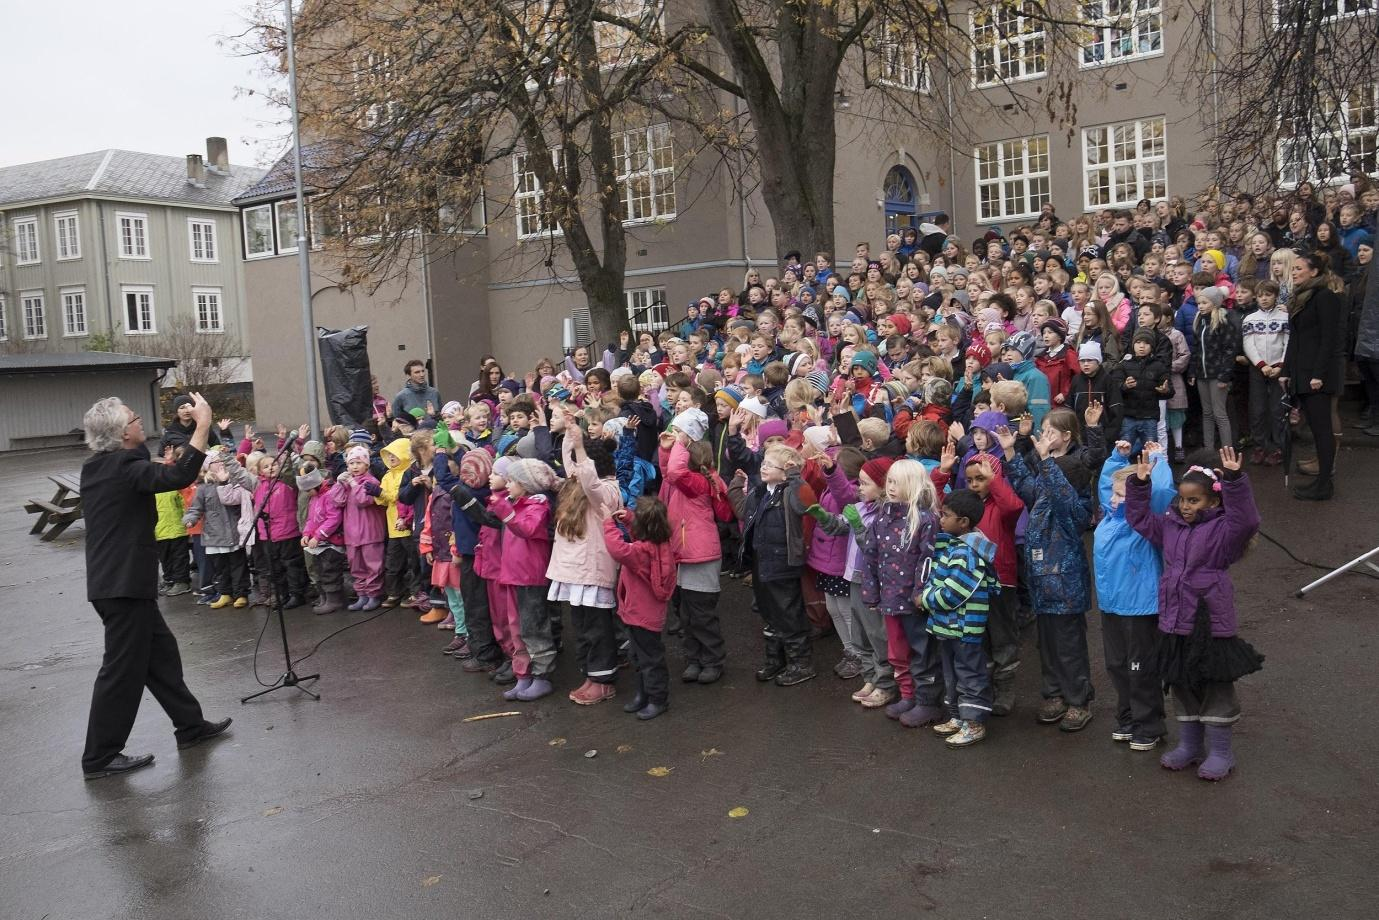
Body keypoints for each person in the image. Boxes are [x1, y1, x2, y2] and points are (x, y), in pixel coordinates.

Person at [79, 393, 231, 780]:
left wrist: (159, 468)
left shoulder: (99, 466)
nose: (139, 421)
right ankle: (99, 757)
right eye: (132, 418)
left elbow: (149, 480)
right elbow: (179, 478)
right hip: (124, 585)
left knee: (160, 657)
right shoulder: (125, 466)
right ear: (122, 433)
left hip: (115, 583)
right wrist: (202, 425)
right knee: (121, 671)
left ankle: (190, 726)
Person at [1125, 448, 1264, 781]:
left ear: (1213, 503)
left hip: (1210, 623)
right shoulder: (1170, 525)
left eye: (1194, 501)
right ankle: (1189, 745)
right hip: (1175, 622)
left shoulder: (1224, 532)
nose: (1185, 507)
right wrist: (1140, 485)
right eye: (1183, 500)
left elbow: (1247, 520)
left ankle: (1220, 751)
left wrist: (1233, 481)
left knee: (1214, 686)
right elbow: (1140, 519)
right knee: (1182, 683)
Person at [1094, 441, 1175, 751]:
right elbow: (1107, 485)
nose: (1113, 500)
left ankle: (1149, 723)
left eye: (1121, 495)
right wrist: (1117, 458)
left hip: (1141, 607)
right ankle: (1127, 717)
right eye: (1114, 494)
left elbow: (1163, 491)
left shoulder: (1144, 521)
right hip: (1112, 605)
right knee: (1116, 664)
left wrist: (1157, 459)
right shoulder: (1111, 518)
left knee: (1140, 668)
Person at [921, 489, 1000, 748]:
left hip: (964, 626)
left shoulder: (967, 554)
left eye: (946, 516)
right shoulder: (953, 546)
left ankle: (974, 722)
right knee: (952, 672)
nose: (941, 520)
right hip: (948, 627)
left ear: (963, 522)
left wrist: (924, 599)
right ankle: (958, 717)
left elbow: (952, 594)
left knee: (969, 673)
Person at [602, 498, 678, 720]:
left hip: (640, 614)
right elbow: (641, 534)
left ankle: (657, 699)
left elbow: (618, 550)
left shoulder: (640, 552)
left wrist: (609, 524)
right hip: (645, 614)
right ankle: (644, 694)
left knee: (649, 658)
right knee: (639, 655)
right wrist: (629, 519)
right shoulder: (658, 543)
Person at [1282, 252, 1347, 500]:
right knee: (1318, 430)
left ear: (1315, 272)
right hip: (1302, 373)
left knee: (1322, 431)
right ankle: (1321, 483)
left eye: (1299, 268)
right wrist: (1286, 372)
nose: (1294, 272)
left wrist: (1318, 374)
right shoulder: (1301, 299)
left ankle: (1324, 484)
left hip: (1317, 376)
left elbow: (1328, 339)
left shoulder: (1326, 297)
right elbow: (1296, 339)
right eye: (1294, 268)